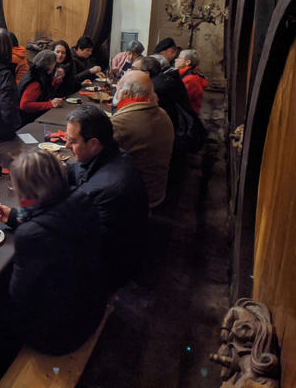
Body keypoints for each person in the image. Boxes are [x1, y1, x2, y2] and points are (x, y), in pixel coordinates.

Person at [0, 150, 106, 355]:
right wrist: (15, 217)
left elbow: (19, 296)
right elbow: (54, 219)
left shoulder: (29, 236)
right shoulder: (83, 199)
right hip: (91, 308)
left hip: (58, 334)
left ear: (28, 192)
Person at [65, 106, 148, 293]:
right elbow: (75, 172)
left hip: (109, 267)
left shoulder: (107, 187)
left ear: (93, 143)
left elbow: (74, 232)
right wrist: (42, 173)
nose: (66, 147)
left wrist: (19, 217)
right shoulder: (108, 153)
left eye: (72, 141)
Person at [110, 70, 174, 209]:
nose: (115, 88)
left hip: (135, 198)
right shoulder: (162, 113)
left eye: (118, 86)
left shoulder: (120, 123)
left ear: (126, 93)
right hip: (157, 189)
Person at [18, 49, 63, 125]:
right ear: (50, 66)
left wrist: (55, 83)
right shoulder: (36, 82)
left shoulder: (37, 73)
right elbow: (24, 105)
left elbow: (44, 93)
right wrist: (50, 104)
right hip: (27, 122)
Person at [175, 49, 209, 115]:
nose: (175, 60)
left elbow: (181, 100)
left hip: (186, 115)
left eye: (179, 58)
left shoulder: (190, 79)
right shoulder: (186, 75)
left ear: (187, 62)